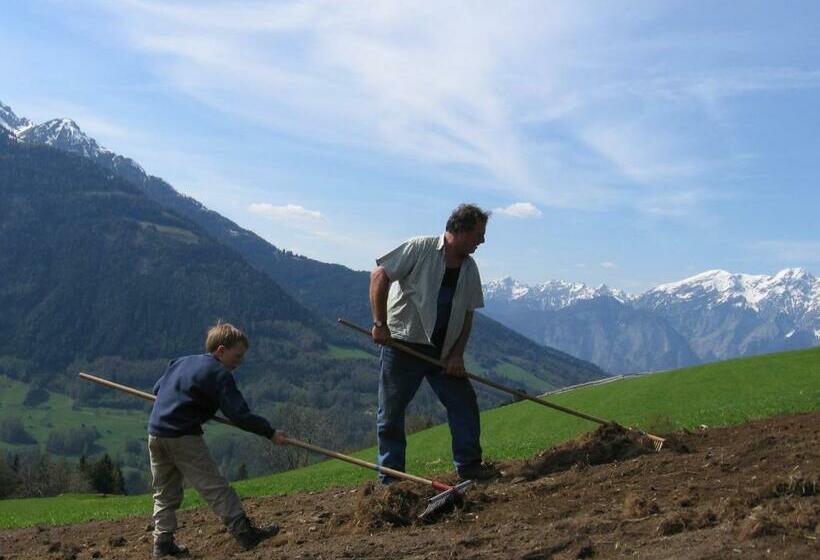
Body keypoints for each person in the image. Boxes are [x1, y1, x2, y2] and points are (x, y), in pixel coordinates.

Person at [369, 203, 499, 482]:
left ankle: (469, 466)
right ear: (461, 231)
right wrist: (380, 324)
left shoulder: (470, 268)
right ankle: (392, 481)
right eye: (479, 234)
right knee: (390, 414)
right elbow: (379, 275)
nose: (482, 241)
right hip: (404, 344)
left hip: (443, 353)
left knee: (464, 402)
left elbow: (467, 314)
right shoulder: (420, 248)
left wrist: (457, 355)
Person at [147, 322, 287, 557]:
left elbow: (157, 389)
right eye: (237, 356)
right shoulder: (219, 374)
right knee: (216, 487)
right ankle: (245, 534)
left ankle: (162, 543)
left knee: (165, 492)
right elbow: (240, 415)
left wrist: (189, 400)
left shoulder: (181, 361)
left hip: (156, 433)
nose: (238, 363)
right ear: (221, 350)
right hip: (183, 436)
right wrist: (271, 433)